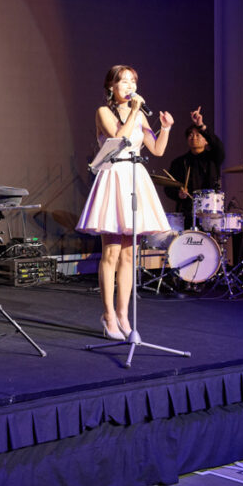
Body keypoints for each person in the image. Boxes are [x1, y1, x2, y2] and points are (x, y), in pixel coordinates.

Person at [76, 65, 173, 340]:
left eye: (133, 81)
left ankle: (123, 315)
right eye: (124, 81)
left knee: (129, 255)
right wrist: (134, 112)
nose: (130, 86)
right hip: (114, 176)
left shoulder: (139, 114)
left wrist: (165, 128)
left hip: (135, 176)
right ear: (111, 87)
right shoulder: (103, 112)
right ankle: (108, 315)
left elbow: (157, 149)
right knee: (111, 253)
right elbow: (119, 139)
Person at [162, 107, 226, 228]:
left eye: (198, 135)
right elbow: (168, 188)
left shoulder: (213, 158)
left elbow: (219, 147)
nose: (194, 137)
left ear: (206, 141)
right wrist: (178, 194)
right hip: (186, 212)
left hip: (209, 212)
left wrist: (201, 125)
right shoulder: (179, 162)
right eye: (191, 135)